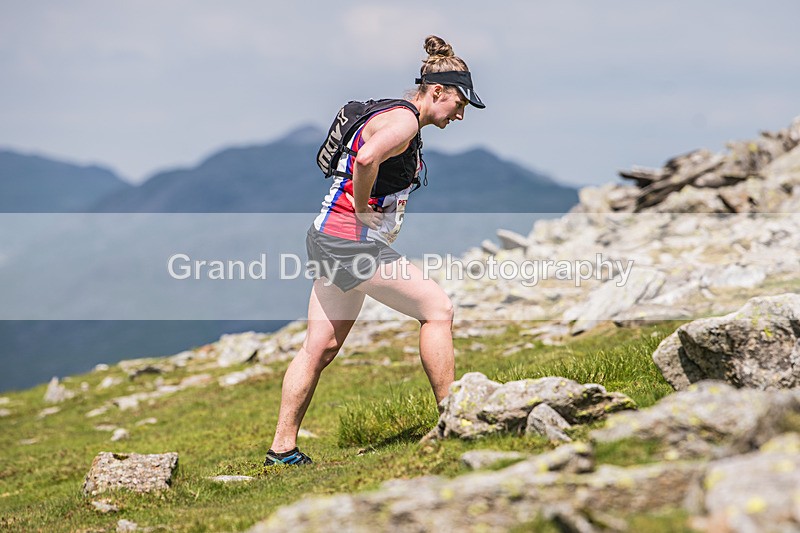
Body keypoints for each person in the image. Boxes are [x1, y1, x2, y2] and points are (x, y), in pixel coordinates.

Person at [264, 35, 485, 466]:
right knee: (437, 310)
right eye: (459, 103)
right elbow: (366, 160)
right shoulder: (404, 123)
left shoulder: (389, 111)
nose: (460, 114)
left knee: (319, 347)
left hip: (326, 236)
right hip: (350, 243)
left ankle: (282, 450)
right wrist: (364, 207)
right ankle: (454, 420)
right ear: (436, 91)